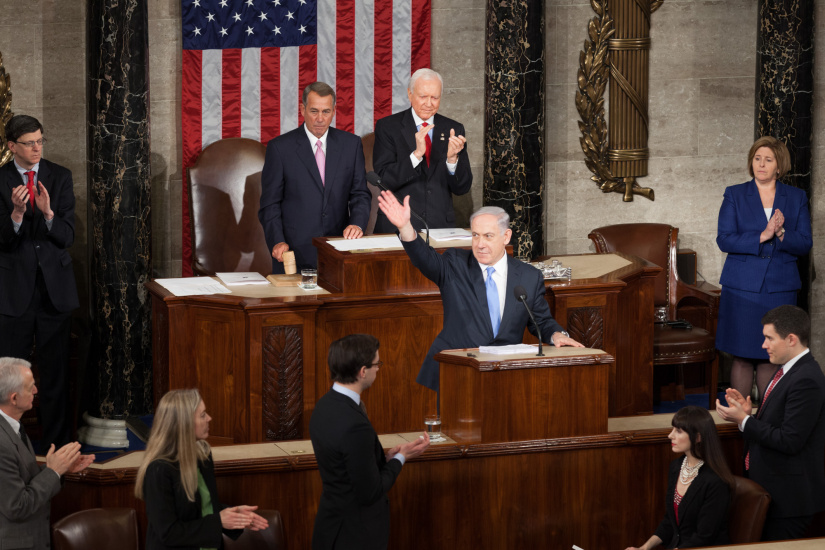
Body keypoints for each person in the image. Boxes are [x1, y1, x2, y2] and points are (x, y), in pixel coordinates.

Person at [377, 190, 583, 391]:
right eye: (475, 235)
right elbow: (425, 259)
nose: (480, 244)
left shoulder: (529, 276)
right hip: (457, 370)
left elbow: (541, 321)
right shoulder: (455, 264)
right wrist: (405, 227)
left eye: (488, 236)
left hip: (504, 373)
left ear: (506, 236)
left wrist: (557, 334)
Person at [0, 114, 79, 451]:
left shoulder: (59, 177)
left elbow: (68, 237)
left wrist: (47, 214)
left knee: (55, 377)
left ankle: (58, 448)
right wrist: (16, 215)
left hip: (54, 294)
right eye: (29, 143)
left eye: (40, 141)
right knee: (10, 381)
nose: (36, 148)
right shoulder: (0, 180)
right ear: (11, 146)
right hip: (13, 294)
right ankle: (10, 449)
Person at [310, 334, 430, 550]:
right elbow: (371, 492)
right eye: (377, 364)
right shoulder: (355, 425)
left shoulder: (324, 406)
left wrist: (384, 459)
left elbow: (346, 467)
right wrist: (401, 458)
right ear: (362, 371)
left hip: (330, 527)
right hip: (355, 536)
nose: (378, 369)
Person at [716, 305, 825, 541]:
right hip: (773, 493)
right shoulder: (788, 372)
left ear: (791, 339)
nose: (763, 345)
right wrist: (749, 415)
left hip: (789, 502)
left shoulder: (807, 379)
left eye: (769, 338)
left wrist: (744, 421)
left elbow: (790, 440)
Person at [715, 136, 812, 402]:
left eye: (768, 160)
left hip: (780, 288)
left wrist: (780, 232)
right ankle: (738, 426)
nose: (761, 164)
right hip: (742, 288)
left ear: (779, 166)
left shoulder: (796, 196)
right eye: (757, 158)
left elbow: (805, 243)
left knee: (771, 357)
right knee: (743, 355)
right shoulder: (734, 193)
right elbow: (724, 239)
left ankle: (765, 427)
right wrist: (763, 235)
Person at [258, 82, 372, 273]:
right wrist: (277, 241)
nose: (320, 118)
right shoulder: (280, 148)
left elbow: (360, 193)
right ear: (302, 109)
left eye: (326, 111)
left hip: (339, 252)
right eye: (314, 111)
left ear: (334, 111)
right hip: (293, 254)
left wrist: (357, 223)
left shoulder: (351, 145)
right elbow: (270, 204)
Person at [135, 389, 268, 550]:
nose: (209, 418)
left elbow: (203, 509)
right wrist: (219, 521)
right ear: (184, 423)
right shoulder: (159, 470)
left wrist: (234, 514)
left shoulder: (202, 454)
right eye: (203, 415)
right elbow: (168, 533)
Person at [0, 357, 94, 549]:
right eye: (30, 387)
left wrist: (61, 469)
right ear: (14, 398)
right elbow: (18, 506)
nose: (36, 391)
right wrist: (53, 471)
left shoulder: (13, 427)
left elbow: (22, 480)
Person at [371, 68, 472, 234]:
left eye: (435, 97)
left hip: (439, 228)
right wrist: (416, 155)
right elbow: (384, 180)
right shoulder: (388, 127)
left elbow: (462, 188)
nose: (429, 103)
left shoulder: (454, 129)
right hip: (397, 227)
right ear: (410, 95)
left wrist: (452, 160)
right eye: (423, 96)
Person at [625, 406, 734, 550]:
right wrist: (644, 548)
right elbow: (670, 522)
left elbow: (704, 537)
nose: (670, 436)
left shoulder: (715, 481)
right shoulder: (676, 466)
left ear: (698, 437)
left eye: (678, 431)